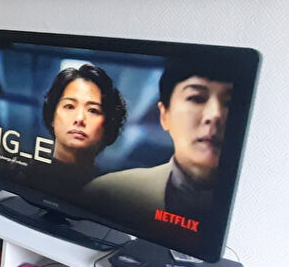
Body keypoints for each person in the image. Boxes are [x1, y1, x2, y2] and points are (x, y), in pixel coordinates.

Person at [82, 61, 234, 225]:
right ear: (164, 115)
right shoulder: (107, 192)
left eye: (230, 103)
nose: (214, 115)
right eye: (196, 98)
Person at [39, 63, 127, 191]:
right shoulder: (23, 173)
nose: (79, 119)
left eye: (93, 110)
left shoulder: (113, 191)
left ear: (108, 125)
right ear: (52, 116)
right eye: (69, 106)